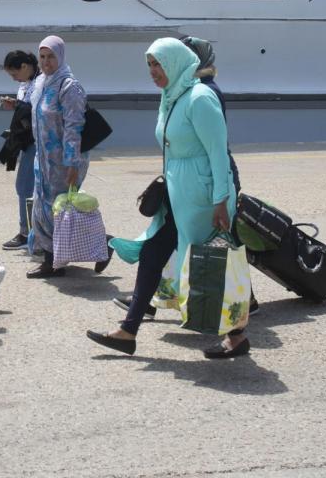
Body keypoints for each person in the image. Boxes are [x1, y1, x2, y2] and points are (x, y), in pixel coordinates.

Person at [87, 37, 248, 359]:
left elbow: (219, 153)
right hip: (178, 194)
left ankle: (237, 336)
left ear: (176, 63)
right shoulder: (173, 97)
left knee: (212, 263)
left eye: (158, 64)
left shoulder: (200, 98)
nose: (153, 71)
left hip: (203, 197)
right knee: (153, 254)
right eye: (149, 64)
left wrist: (221, 200)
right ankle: (128, 331)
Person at [26, 36, 111, 278]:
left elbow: (75, 126)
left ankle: (55, 260)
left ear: (60, 57)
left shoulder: (69, 86)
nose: (45, 62)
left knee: (60, 209)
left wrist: (72, 163)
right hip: (43, 160)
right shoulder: (41, 83)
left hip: (64, 160)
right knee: (43, 207)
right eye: (42, 57)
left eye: (51, 56)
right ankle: (53, 258)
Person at [0, 50, 40, 251]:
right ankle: (32, 232)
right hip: (27, 140)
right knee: (26, 187)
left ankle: (27, 233)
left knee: (25, 187)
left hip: (37, 143)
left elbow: (36, 111)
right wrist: (16, 105)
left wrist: (19, 105)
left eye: (14, 74)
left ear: (24, 66)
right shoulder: (27, 84)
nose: (14, 79)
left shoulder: (41, 82)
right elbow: (28, 110)